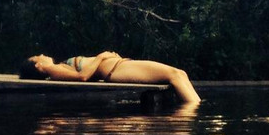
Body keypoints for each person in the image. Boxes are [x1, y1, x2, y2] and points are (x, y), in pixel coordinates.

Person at [19, 51, 201, 104]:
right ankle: (193, 115)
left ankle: (195, 107)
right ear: (38, 66)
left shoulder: (57, 67)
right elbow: (82, 77)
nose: (42, 54)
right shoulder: (53, 70)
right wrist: (101, 56)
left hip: (119, 66)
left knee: (180, 73)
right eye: (37, 56)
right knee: (174, 75)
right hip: (116, 70)